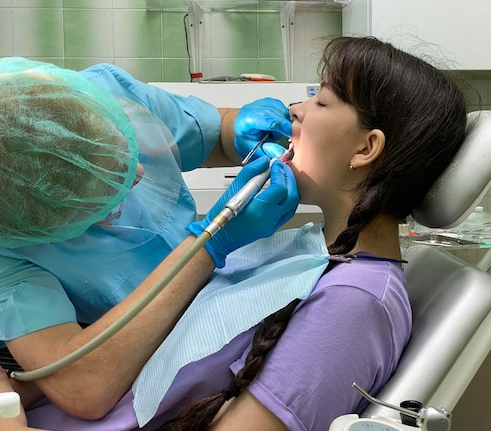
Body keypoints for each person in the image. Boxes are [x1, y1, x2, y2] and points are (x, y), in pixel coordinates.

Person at [22, 35, 468, 430]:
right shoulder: (304, 253)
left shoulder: (353, 303)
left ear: (366, 148)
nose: (296, 109)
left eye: (322, 101)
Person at [0, 57, 299, 424]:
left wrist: (238, 129)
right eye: (109, 192)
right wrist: (207, 246)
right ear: (41, 223)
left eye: (126, 147)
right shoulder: (8, 246)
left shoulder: (101, 91)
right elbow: (82, 387)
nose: (140, 174)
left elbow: (216, 135)